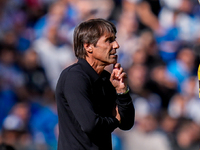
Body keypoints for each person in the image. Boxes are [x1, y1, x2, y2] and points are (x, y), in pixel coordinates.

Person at [55, 18, 135, 150]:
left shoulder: (106, 79)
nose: (116, 45)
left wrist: (122, 92)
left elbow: (126, 124)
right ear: (88, 46)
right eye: (109, 40)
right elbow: (91, 124)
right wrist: (115, 120)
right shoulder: (74, 77)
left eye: (114, 39)